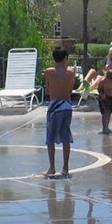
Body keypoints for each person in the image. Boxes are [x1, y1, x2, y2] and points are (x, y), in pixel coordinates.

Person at [43, 46, 75, 179]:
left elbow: (47, 90)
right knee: (66, 137)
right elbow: (70, 89)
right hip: (67, 106)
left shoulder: (49, 71)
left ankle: (52, 167)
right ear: (65, 58)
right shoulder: (71, 72)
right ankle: (66, 168)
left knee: (50, 138)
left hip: (55, 106)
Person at [96, 68, 112, 135]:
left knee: (109, 113)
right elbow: (99, 89)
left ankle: (107, 127)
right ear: (107, 76)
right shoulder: (103, 81)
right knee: (104, 114)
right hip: (103, 98)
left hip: (110, 97)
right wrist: (102, 95)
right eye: (111, 77)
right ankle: (104, 128)